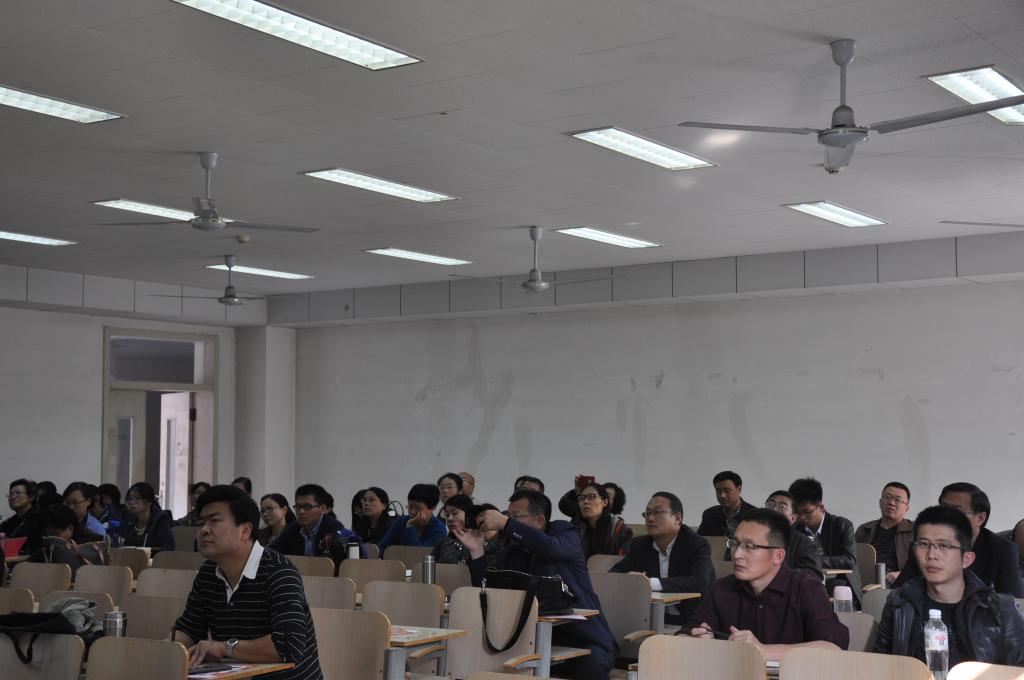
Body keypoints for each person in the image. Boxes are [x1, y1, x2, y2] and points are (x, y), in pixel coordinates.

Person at [456, 490, 617, 680]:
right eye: (507, 516)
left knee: (589, 669)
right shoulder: (511, 552)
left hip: (584, 639)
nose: (508, 522)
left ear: (539, 520)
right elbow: (489, 591)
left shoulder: (563, 533)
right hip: (531, 640)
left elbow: (550, 548)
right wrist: (477, 551)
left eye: (515, 516)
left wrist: (505, 523)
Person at [173, 485, 323, 678]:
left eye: (214, 521)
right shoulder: (208, 572)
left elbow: (288, 645)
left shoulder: (279, 571)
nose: (203, 530)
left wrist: (223, 648)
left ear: (245, 531)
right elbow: (188, 629)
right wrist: (164, 651)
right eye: (201, 522)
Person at [686, 508, 849, 661]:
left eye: (749, 546)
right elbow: (685, 634)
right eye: (734, 543)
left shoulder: (806, 589)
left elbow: (833, 647)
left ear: (778, 556)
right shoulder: (722, 588)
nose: (737, 554)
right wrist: (698, 641)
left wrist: (761, 650)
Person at [874, 504, 1024, 667]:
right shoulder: (900, 603)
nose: (931, 555)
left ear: (966, 559)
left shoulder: (1000, 610)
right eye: (923, 544)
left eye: (944, 545)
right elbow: (881, 664)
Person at [893, 483, 1024, 596]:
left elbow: (1013, 601)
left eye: (957, 512)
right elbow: (899, 591)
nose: (946, 517)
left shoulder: (1003, 550)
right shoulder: (923, 544)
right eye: (943, 509)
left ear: (980, 518)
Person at [611, 492, 713, 622]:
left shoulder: (696, 544)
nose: (650, 518)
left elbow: (699, 582)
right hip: (651, 618)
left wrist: (649, 583)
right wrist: (630, 578)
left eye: (657, 512)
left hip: (692, 620)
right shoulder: (640, 545)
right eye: (647, 513)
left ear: (677, 518)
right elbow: (614, 573)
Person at [270, 484, 364, 558]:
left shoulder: (333, 529)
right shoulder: (293, 528)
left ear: (322, 509)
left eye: (307, 506)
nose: (301, 511)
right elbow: (273, 552)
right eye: (298, 507)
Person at [788, 478, 857, 577]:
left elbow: (849, 561)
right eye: (798, 513)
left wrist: (813, 560)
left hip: (838, 580)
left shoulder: (842, 525)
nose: (802, 517)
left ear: (821, 507)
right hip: (805, 579)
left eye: (807, 512)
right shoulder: (795, 528)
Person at [855, 482, 914, 584]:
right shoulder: (864, 529)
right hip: (864, 579)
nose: (891, 502)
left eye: (898, 499)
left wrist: (903, 574)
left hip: (897, 582)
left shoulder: (915, 531)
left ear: (906, 508)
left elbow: (924, 564)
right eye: (887, 497)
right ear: (880, 502)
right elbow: (852, 559)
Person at [28, 504, 105, 577]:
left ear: (70, 529)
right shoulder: (43, 550)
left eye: (54, 533)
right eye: (46, 535)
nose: (50, 538)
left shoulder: (93, 544)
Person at [763, 491, 823, 580]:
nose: (774, 509)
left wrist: (776, 576)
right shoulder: (751, 536)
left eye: (782, 507)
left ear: (793, 518)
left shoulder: (803, 542)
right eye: (770, 505)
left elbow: (813, 574)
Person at [431, 494, 502, 565]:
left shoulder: (485, 542)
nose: (450, 519)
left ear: (469, 515)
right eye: (447, 515)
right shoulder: (443, 543)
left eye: (455, 513)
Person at [569, 483, 632, 559]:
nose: (585, 501)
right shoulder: (576, 528)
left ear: (605, 502)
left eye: (592, 497)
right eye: (582, 498)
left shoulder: (621, 531)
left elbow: (624, 561)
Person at [377, 483, 447, 551]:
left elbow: (418, 554)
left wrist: (410, 526)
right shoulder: (401, 521)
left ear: (432, 508)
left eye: (418, 508)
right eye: (410, 506)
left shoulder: (439, 530)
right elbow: (381, 548)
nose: (413, 512)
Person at [118, 482, 175, 550]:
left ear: (149, 501)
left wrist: (129, 542)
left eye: (137, 498)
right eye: (130, 498)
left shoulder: (161, 519)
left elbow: (162, 544)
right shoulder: (129, 518)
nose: (132, 502)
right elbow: (121, 540)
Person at [698, 471, 756, 537]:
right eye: (718, 491)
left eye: (727, 491)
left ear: (739, 489)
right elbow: (699, 540)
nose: (722, 495)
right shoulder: (709, 514)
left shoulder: (754, 515)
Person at [0, 478, 42, 555]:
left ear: (31, 497)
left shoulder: (39, 518)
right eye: (11, 494)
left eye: (18, 493)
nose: (13, 497)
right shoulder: (11, 521)